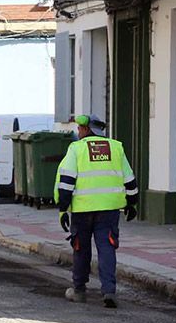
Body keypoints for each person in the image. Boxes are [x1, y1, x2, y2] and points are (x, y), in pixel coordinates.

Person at [55, 114, 139, 309]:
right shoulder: (116, 147)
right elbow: (130, 180)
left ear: (86, 130)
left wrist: (63, 209)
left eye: (79, 129)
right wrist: (132, 203)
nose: (78, 132)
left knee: (80, 248)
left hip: (82, 210)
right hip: (109, 210)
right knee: (107, 248)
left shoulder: (76, 149)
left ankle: (79, 291)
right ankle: (109, 291)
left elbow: (66, 181)